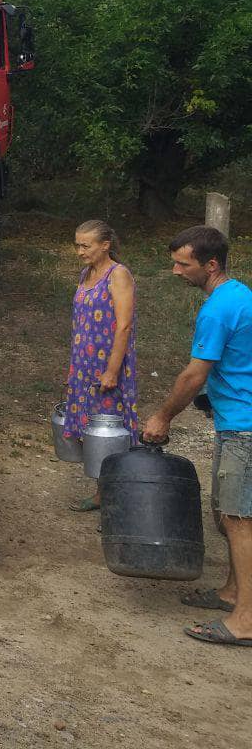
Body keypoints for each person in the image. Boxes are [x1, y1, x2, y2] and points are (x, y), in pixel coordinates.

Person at [142, 226, 252, 646]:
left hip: (244, 424)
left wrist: (163, 416)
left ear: (210, 264)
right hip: (236, 418)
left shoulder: (218, 310)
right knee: (231, 513)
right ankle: (231, 592)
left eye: (182, 263)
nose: (174, 271)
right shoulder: (239, 294)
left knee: (240, 519)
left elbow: (193, 376)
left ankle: (245, 619)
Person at [64, 220, 139, 512]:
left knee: (109, 425)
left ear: (105, 245)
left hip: (108, 363)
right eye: (77, 245)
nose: (80, 251)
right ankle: (105, 490)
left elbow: (124, 325)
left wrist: (112, 370)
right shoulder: (87, 273)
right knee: (91, 427)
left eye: (86, 245)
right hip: (84, 363)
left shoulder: (117, 275)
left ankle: (114, 492)